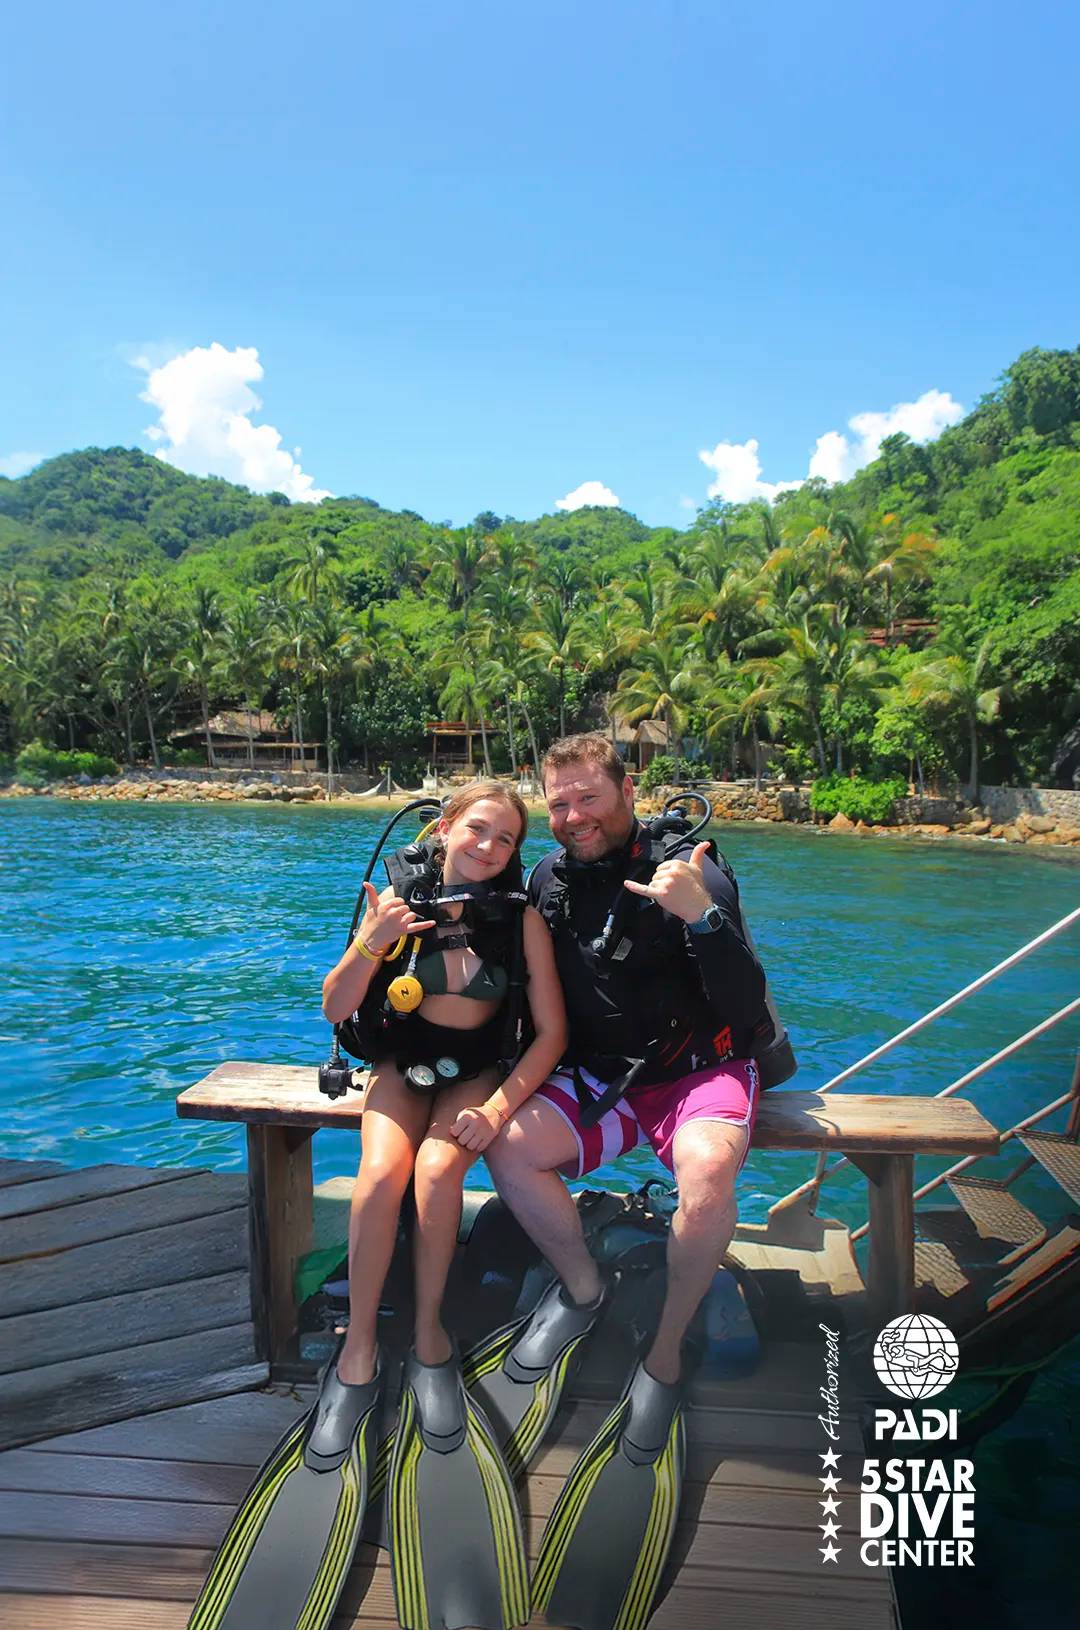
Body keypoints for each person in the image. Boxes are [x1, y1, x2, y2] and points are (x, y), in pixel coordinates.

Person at [472, 733, 774, 1630]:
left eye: (586, 798)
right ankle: (585, 1285)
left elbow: (750, 1012)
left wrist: (703, 919)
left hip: (697, 1071)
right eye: (557, 805)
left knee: (709, 1176)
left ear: (626, 789)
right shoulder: (552, 884)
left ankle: (669, 1345)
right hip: (606, 1076)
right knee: (511, 1148)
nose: (572, 818)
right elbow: (525, 994)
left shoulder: (695, 868)